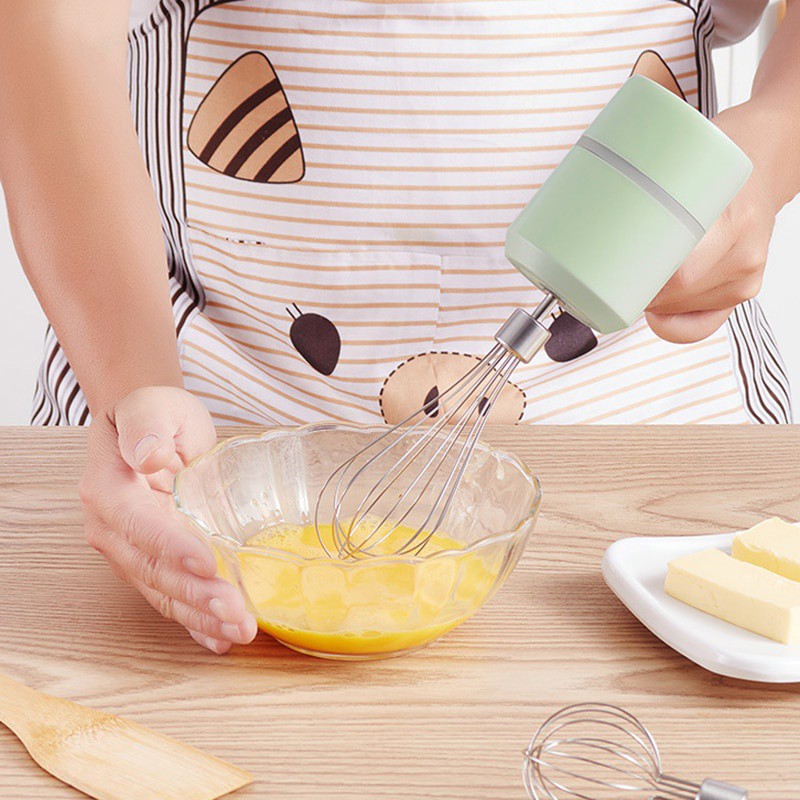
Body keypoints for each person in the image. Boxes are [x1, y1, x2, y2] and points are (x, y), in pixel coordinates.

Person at [1, 0, 797, 653]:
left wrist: (763, 158)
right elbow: (51, 21)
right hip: (209, 454)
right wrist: (134, 389)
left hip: (660, 462)